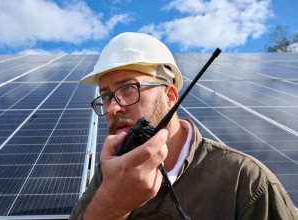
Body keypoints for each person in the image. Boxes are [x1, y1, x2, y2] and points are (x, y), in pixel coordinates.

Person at [70, 32, 297, 220]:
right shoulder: (105, 177)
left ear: (170, 97)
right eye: (107, 96)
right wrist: (110, 205)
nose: (112, 109)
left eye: (128, 89)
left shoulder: (244, 180)